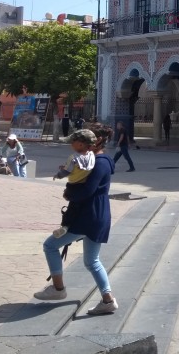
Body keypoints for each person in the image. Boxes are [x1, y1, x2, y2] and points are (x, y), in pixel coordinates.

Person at [33, 126, 119, 315]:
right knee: (92, 261)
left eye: (74, 142)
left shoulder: (98, 162)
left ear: (89, 143)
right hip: (98, 214)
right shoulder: (96, 160)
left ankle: (58, 289)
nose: (71, 145)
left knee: (50, 245)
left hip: (88, 215)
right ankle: (108, 299)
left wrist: (69, 192)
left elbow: (87, 190)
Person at [52, 129, 97, 238]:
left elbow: (67, 171)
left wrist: (58, 175)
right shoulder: (91, 155)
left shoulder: (73, 157)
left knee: (72, 206)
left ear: (81, 144)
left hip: (73, 185)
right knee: (78, 205)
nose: (71, 144)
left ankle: (65, 226)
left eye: (73, 142)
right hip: (83, 184)